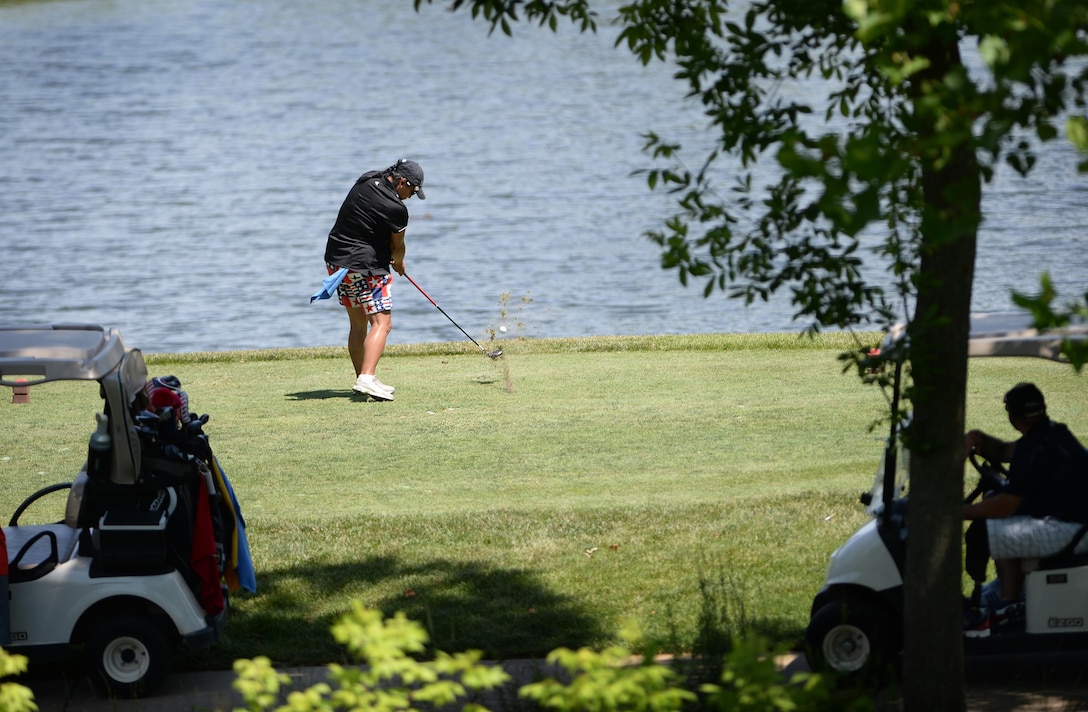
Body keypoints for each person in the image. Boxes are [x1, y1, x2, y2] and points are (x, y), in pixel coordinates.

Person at [962, 382, 1088, 636]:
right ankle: (1010, 593)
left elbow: (1005, 505)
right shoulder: (1050, 434)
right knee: (994, 513)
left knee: (987, 529)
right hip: (1073, 522)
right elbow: (1007, 451)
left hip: (1068, 529)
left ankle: (1009, 606)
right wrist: (979, 438)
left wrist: (959, 512)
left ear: (1012, 416)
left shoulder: (1037, 447)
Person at [323, 159, 426, 401]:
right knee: (382, 324)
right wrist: (399, 263)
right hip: (366, 267)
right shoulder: (397, 209)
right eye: (412, 190)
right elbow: (397, 247)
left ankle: (363, 378)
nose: (411, 196)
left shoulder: (367, 180)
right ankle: (367, 378)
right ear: (402, 182)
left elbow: (364, 223)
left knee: (358, 324)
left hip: (336, 262)